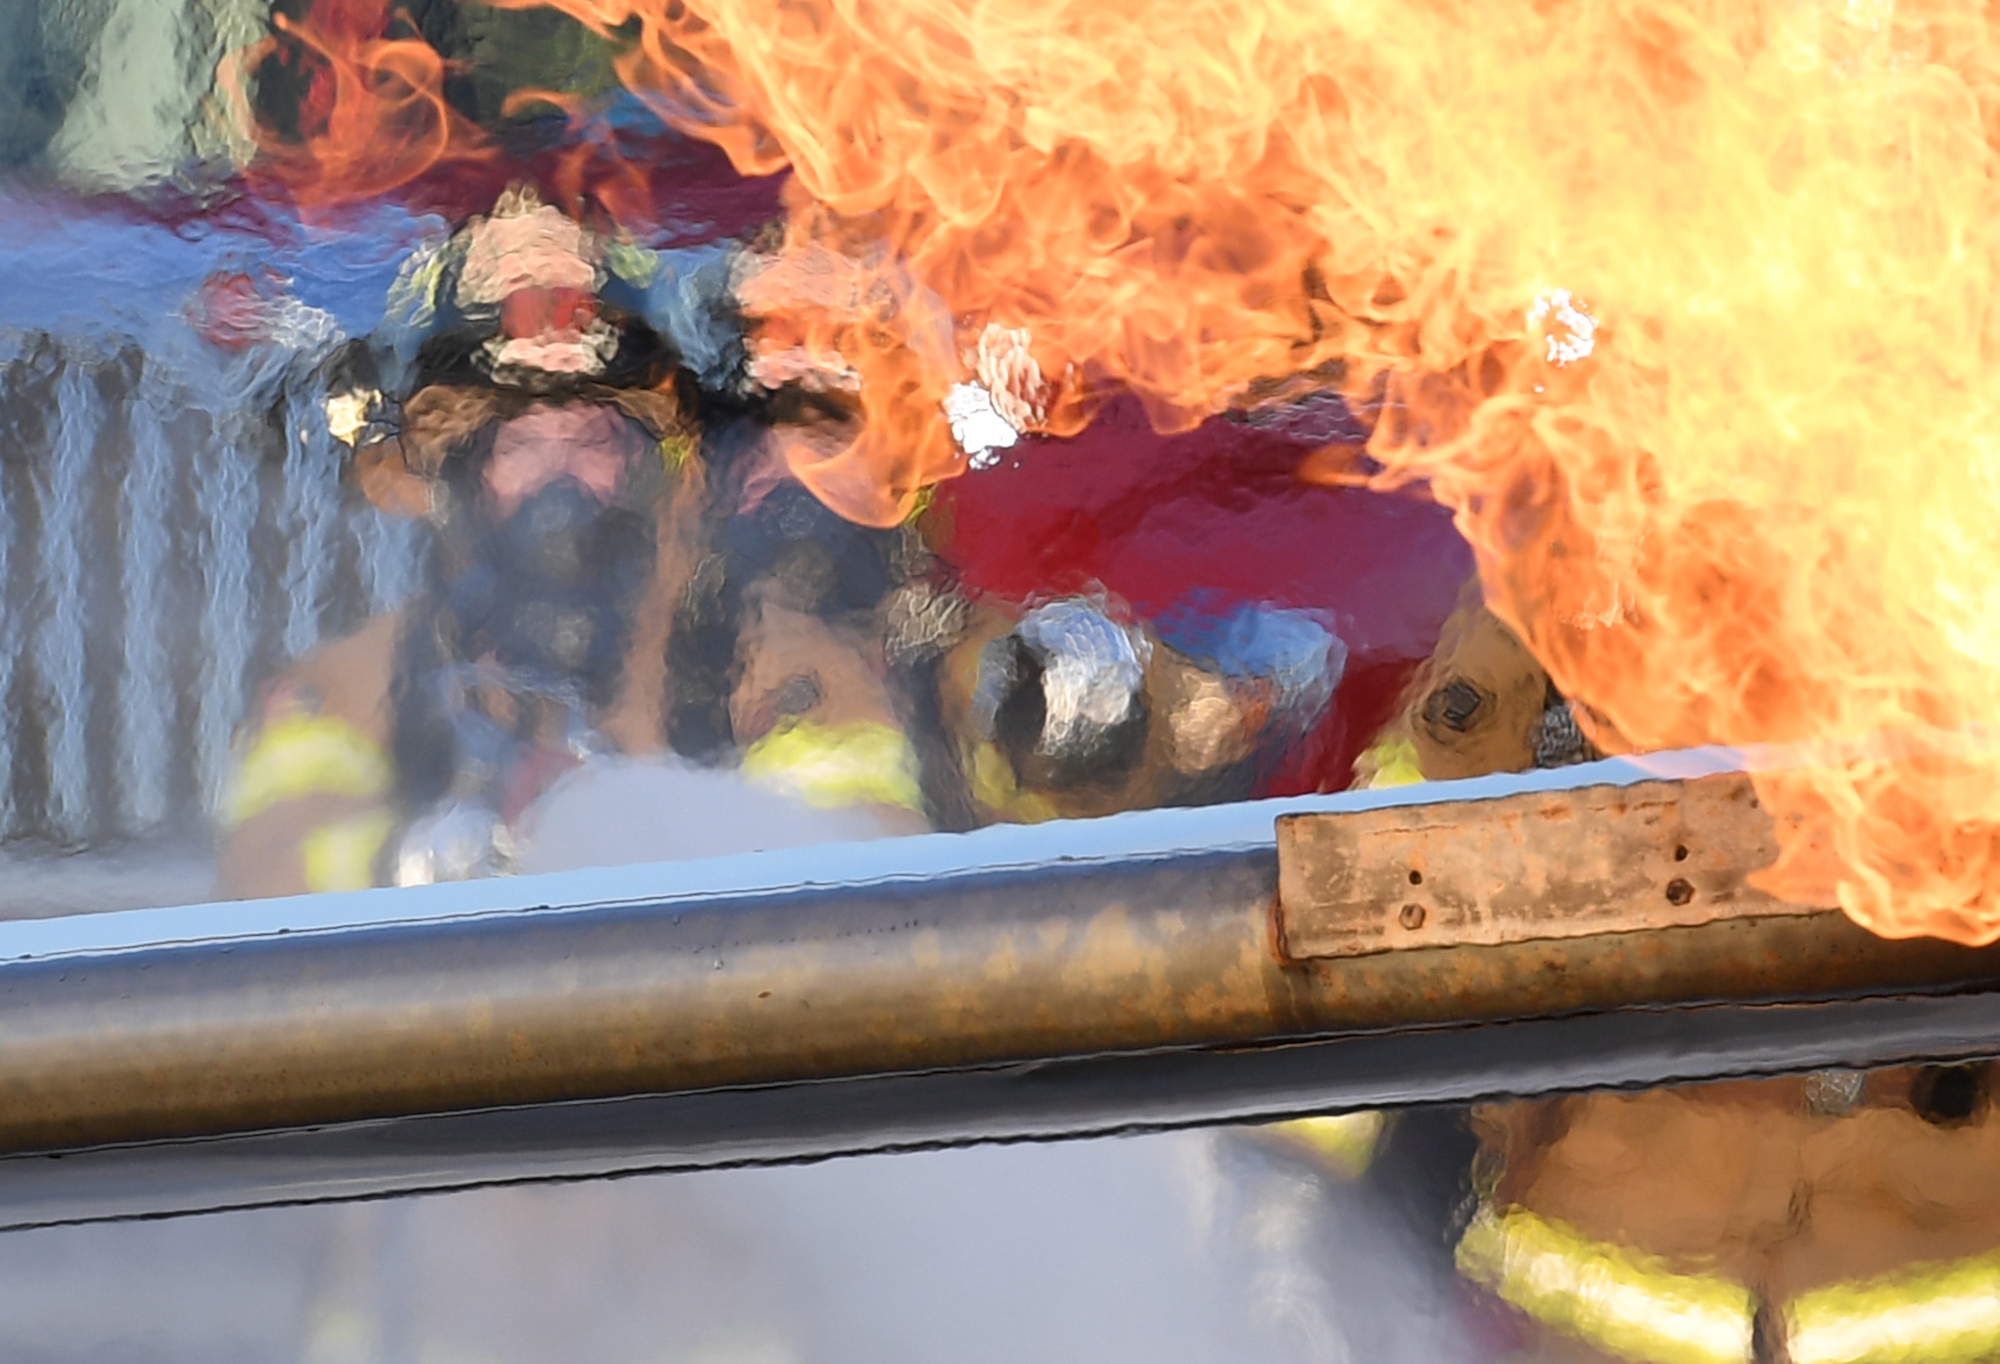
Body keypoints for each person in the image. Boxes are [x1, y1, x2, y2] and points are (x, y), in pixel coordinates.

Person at [219, 187, 1347, 895]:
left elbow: (857, 871)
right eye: (521, 439)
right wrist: (424, 859)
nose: (564, 479)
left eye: (594, 435)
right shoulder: (353, 688)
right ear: (450, 472)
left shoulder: (788, 677)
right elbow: (252, 895)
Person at [1357, 590, 2000, 1364]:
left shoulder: (1950, 570)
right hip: (1587, 1286)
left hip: (1914, 1286)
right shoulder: (1590, 579)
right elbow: (1401, 854)